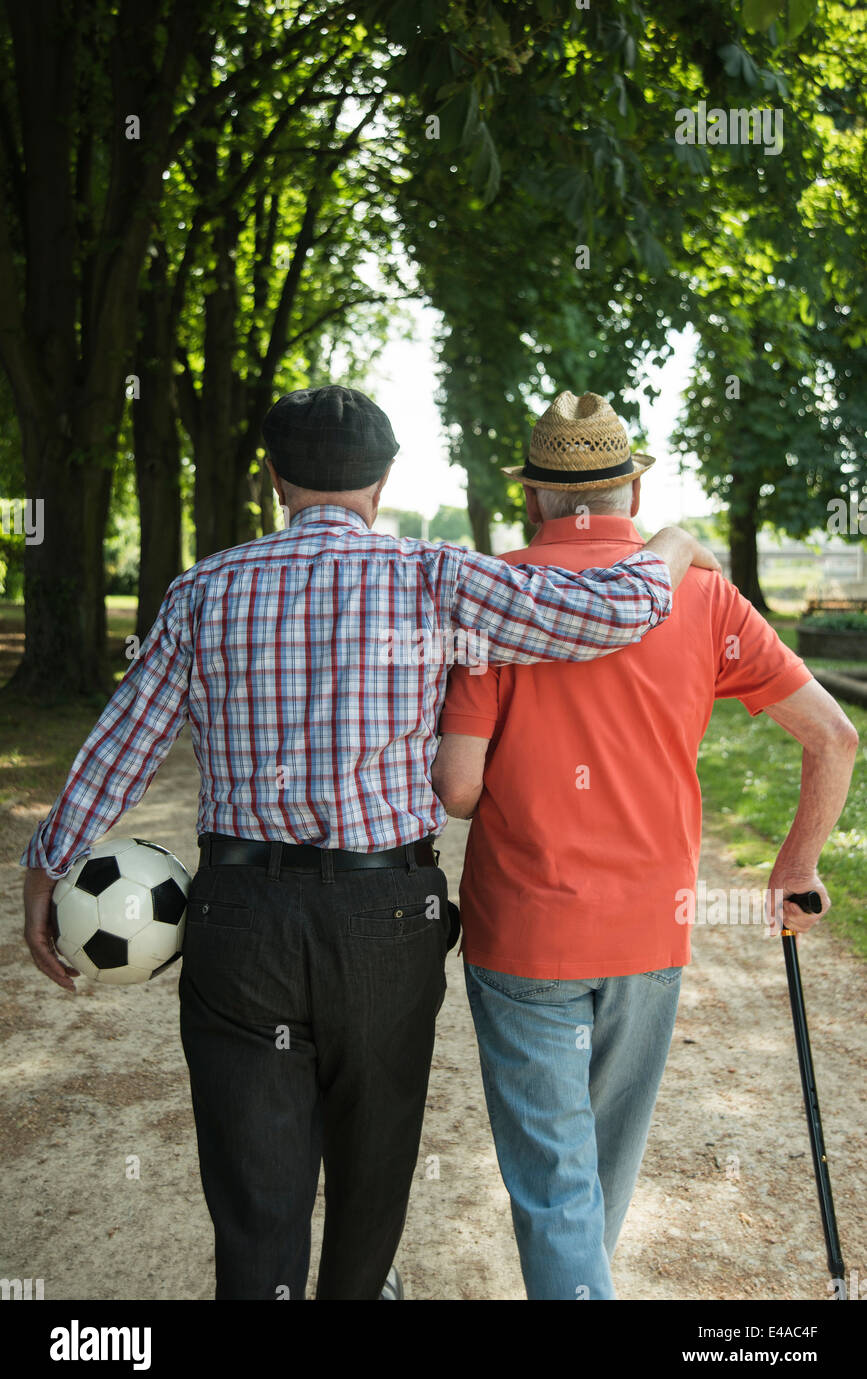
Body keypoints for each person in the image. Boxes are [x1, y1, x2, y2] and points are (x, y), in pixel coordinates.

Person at [21, 385, 717, 1301]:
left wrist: (49, 861)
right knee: (373, 1176)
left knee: (255, 1203)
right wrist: (670, 544)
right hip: (385, 920)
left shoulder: (204, 589)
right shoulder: (436, 577)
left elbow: (123, 746)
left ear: (274, 479)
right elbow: (611, 613)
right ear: (382, 484)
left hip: (241, 920)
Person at [432, 389, 859, 1301]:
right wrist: (795, 867)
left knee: (556, 1187)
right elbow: (833, 736)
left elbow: (458, 790)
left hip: (524, 932)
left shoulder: (494, 594)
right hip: (649, 933)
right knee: (595, 1180)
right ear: (629, 489)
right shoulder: (704, 597)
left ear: (536, 499)